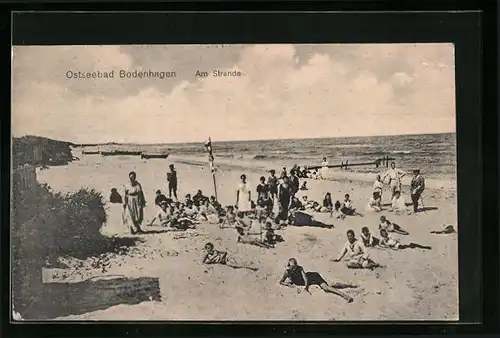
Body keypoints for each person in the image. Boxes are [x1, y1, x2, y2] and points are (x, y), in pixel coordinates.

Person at [279, 258, 355, 302]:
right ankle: (349, 285)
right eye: (292, 267)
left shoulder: (300, 268)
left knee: (326, 287)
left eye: (295, 266)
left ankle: (345, 295)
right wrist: (287, 284)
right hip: (310, 280)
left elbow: (305, 279)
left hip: (313, 277)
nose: (294, 268)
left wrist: (306, 288)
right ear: (289, 266)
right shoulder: (287, 272)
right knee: (330, 285)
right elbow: (281, 281)